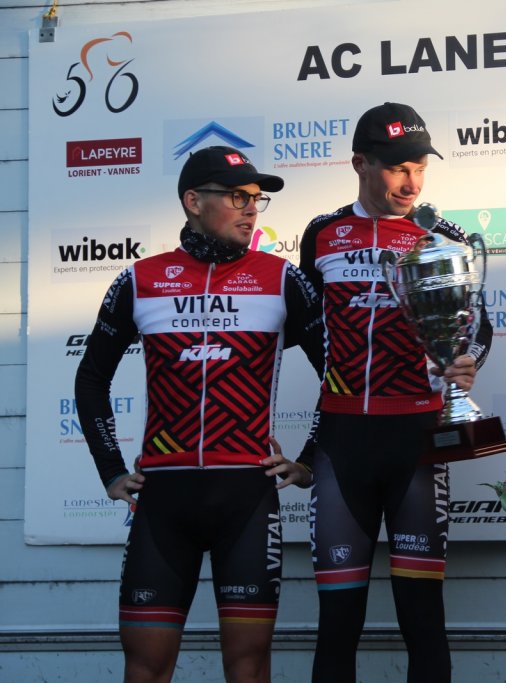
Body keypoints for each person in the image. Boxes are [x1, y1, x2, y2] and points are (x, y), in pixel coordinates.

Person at [75, 145, 325, 683]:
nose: (251, 208)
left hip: (246, 499)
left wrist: (309, 459)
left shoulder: (282, 278)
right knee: (145, 668)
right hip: (164, 501)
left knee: (248, 666)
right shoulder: (140, 279)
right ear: (193, 201)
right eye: (237, 197)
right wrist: (110, 469)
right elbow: (91, 378)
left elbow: (344, 375)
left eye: (256, 199)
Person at [298, 102, 492, 683]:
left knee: (422, 618)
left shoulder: (442, 236)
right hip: (343, 441)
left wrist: (465, 361)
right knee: (337, 622)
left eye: (420, 168)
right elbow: (305, 326)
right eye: (397, 168)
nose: (411, 183)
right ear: (360, 163)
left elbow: (477, 327)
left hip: (418, 440)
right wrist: (337, 377)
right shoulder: (322, 234)